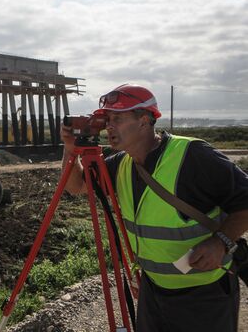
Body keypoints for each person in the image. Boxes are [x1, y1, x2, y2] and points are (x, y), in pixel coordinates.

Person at [61, 83, 248, 332]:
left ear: (144, 120)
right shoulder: (121, 164)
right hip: (153, 291)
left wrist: (221, 241)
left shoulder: (192, 155)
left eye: (118, 118)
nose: (109, 126)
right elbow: (76, 186)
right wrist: (70, 149)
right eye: (107, 119)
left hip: (204, 294)